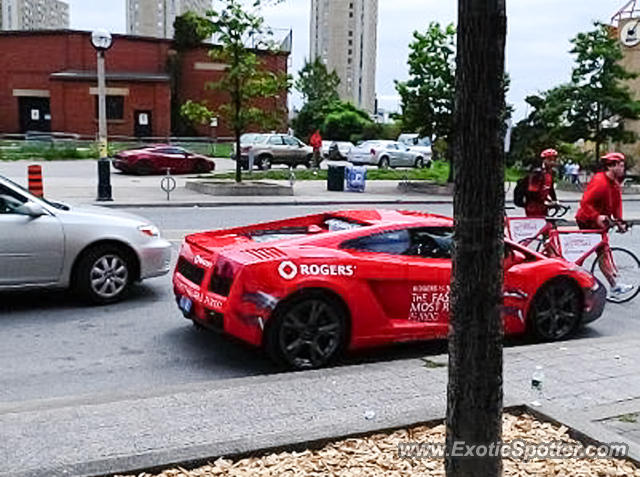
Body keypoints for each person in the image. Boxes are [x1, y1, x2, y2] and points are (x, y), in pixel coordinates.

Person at [575, 152, 630, 296]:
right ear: (613, 166)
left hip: (599, 222)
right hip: (587, 220)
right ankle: (572, 279)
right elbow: (585, 203)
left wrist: (620, 222)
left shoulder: (615, 184)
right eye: (621, 166)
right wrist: (596, 216)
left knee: (602, 252)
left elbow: (617, 206)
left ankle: (613, 285)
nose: (623, 169)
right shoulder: (600, 182)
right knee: (585, 253)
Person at [524, 148, 559, 217]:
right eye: (549, 160)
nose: (552, 162)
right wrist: (544, 202)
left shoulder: (550, 173)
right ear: (544, 160)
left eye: (554, 160)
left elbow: (550, 189)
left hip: (543, 206)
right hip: (534, 206)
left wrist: (554, 200)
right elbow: (532, 192)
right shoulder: (537, 173)